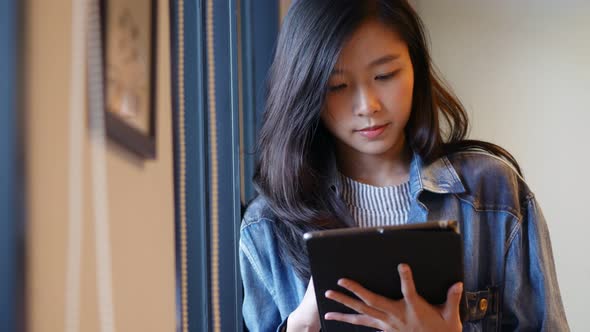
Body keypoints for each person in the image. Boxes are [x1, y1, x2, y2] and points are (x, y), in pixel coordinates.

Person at [239, 0, 569, 331]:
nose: (368, 105)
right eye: (337, 86)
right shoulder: (268, 227)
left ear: (416, 67)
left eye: (385, 75)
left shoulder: (495, 195)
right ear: (306, 91)